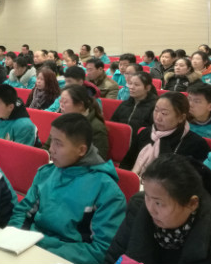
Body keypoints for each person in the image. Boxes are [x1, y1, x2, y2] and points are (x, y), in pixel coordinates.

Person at [9, 113, 126, 264]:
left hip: (66, 258)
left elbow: (102, 250)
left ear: (81, 150)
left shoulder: (106, 190)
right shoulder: (46, 173)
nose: (51, 149)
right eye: (51, 140)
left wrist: (45, 254)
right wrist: (17, 240)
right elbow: (21, 212)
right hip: (29, 249)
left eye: (58, 144)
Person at [105, 153, 211, 264]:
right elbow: (113, 258)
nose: (150, 209)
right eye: (147, 197)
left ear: (192, 204)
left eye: (159, 203)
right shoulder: (138, 207)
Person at [120, 92, 210, 174]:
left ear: (181, 118)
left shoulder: (196, 145)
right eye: (156, 110)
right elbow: (126, 164)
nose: (157, 118)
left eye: (164, 113)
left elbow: (195, 181)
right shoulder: (145, 133)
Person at [43, 84, 108, 158]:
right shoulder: (61, 121)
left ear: (80, 105)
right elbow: (47, 147)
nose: (61, 106)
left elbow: (99, 158)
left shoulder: (96, 127)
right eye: (60, 102)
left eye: (65, 102)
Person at [111, 72, 158, 142]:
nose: (131, 87)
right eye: (130, 84)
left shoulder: (155, 107)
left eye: (136, 85)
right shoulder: (125, 104)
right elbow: (113, 123)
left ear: (148, 88)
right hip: (120, 141)